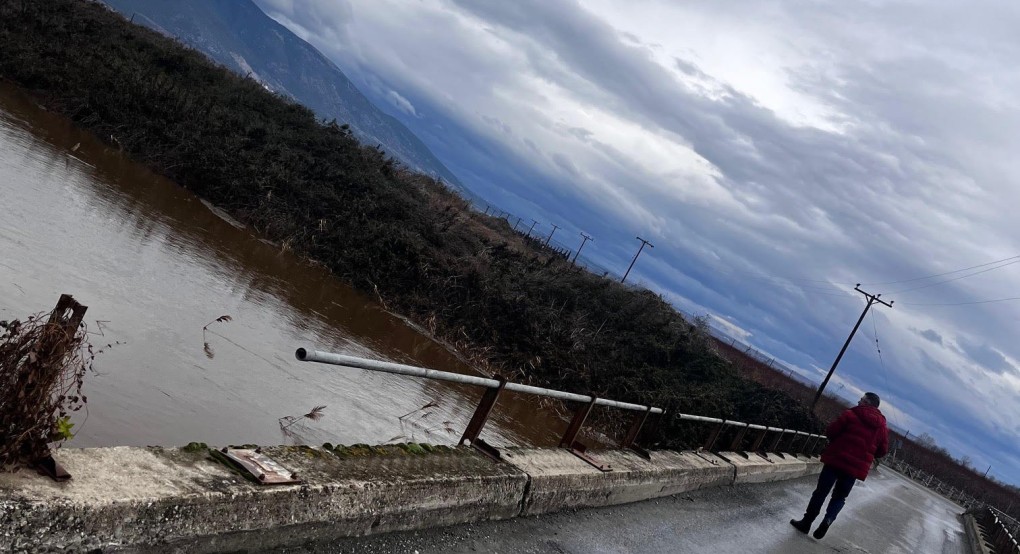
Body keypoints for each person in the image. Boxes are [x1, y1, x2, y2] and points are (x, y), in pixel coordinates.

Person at [790, 392, 889, 539]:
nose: (858, 401)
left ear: (867, 403)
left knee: (821, 492)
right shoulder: (882, 427)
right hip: (854, 469)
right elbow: (882, 451)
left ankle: (807, 523)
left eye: (861, 400)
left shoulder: (851, 414)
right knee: (839, 498)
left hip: (836, 460)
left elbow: (831, 431)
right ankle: (828, 519)